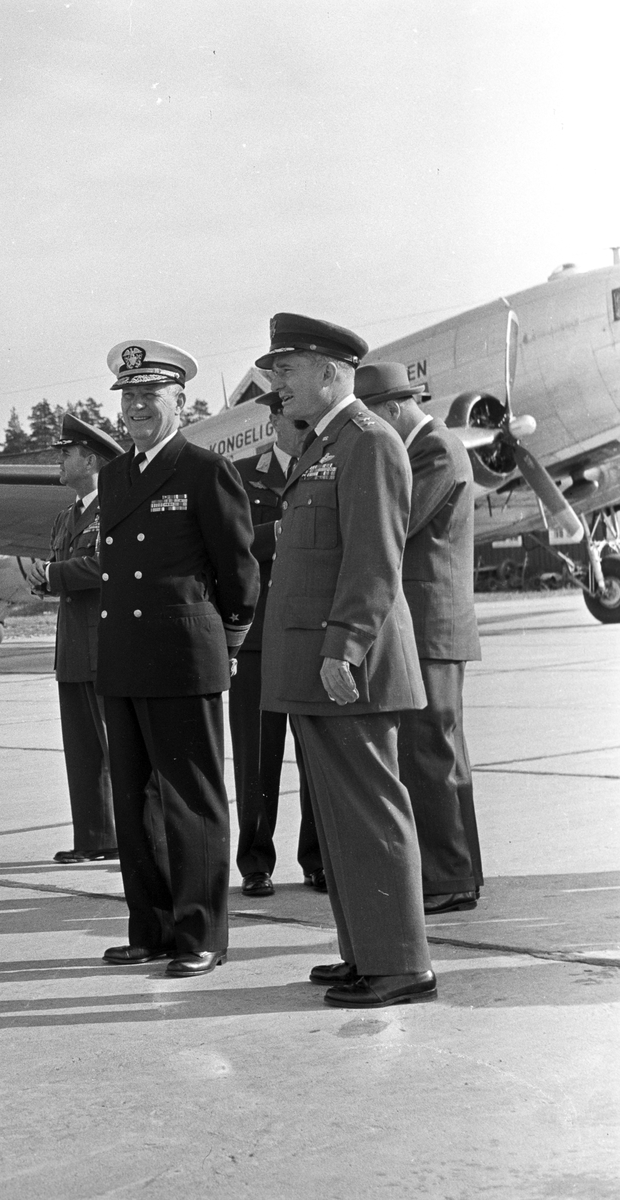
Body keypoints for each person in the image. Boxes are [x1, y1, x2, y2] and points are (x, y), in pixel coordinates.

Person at [258, 314, 434, 1009]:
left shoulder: (368, 441)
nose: (278, 385)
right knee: (338, 819)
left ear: (331, 371)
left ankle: (401, 965)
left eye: (288, 371)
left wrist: (346, 647)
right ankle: (365, 951)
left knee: (370, 812)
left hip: (346, 665)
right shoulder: (323, 443)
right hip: (319, 665)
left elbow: (374, 557)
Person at [94, 339, 259, 978]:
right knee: (133, 802)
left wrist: (232, 640)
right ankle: (152, 927)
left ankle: (202, 934)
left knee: (191, 800)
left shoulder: (202, 470)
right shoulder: (115, 475)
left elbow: (237, 571)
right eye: (129, 396)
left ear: (178, 401)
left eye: (150, 396)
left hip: (182, 655)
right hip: (124, 656)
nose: (136, 407)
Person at [354, 361, 484, 914]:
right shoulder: (433, 446)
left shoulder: (432, 450)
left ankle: (448, 877)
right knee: (440, 753)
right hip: (433, 625)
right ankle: (458, 874)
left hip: (431, 625)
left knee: (429, 752)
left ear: (390, 410)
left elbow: (397, 525)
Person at [228, 390, 324, 898]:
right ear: (272, 420)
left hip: (311, 632)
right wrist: (284, 532)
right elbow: (230, 542)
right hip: (259, 637)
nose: (303, 423)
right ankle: (255, 863)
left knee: (316, 755)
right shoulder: (243, 474)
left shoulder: (330, 464)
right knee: (256, 757)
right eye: (292, 415)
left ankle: (317, 859)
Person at [25, 412, 125, 864]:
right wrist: (44, 578)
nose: (59, 460)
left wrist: (50, 575)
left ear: (91, 459)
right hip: (74, 647)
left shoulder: (118, 507)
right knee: (83, 749)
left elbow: (106, 568)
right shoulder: (68, 516)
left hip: (107, 644)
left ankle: (130, 837)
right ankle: (94, 837)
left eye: (66, 453)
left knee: (117, 747)